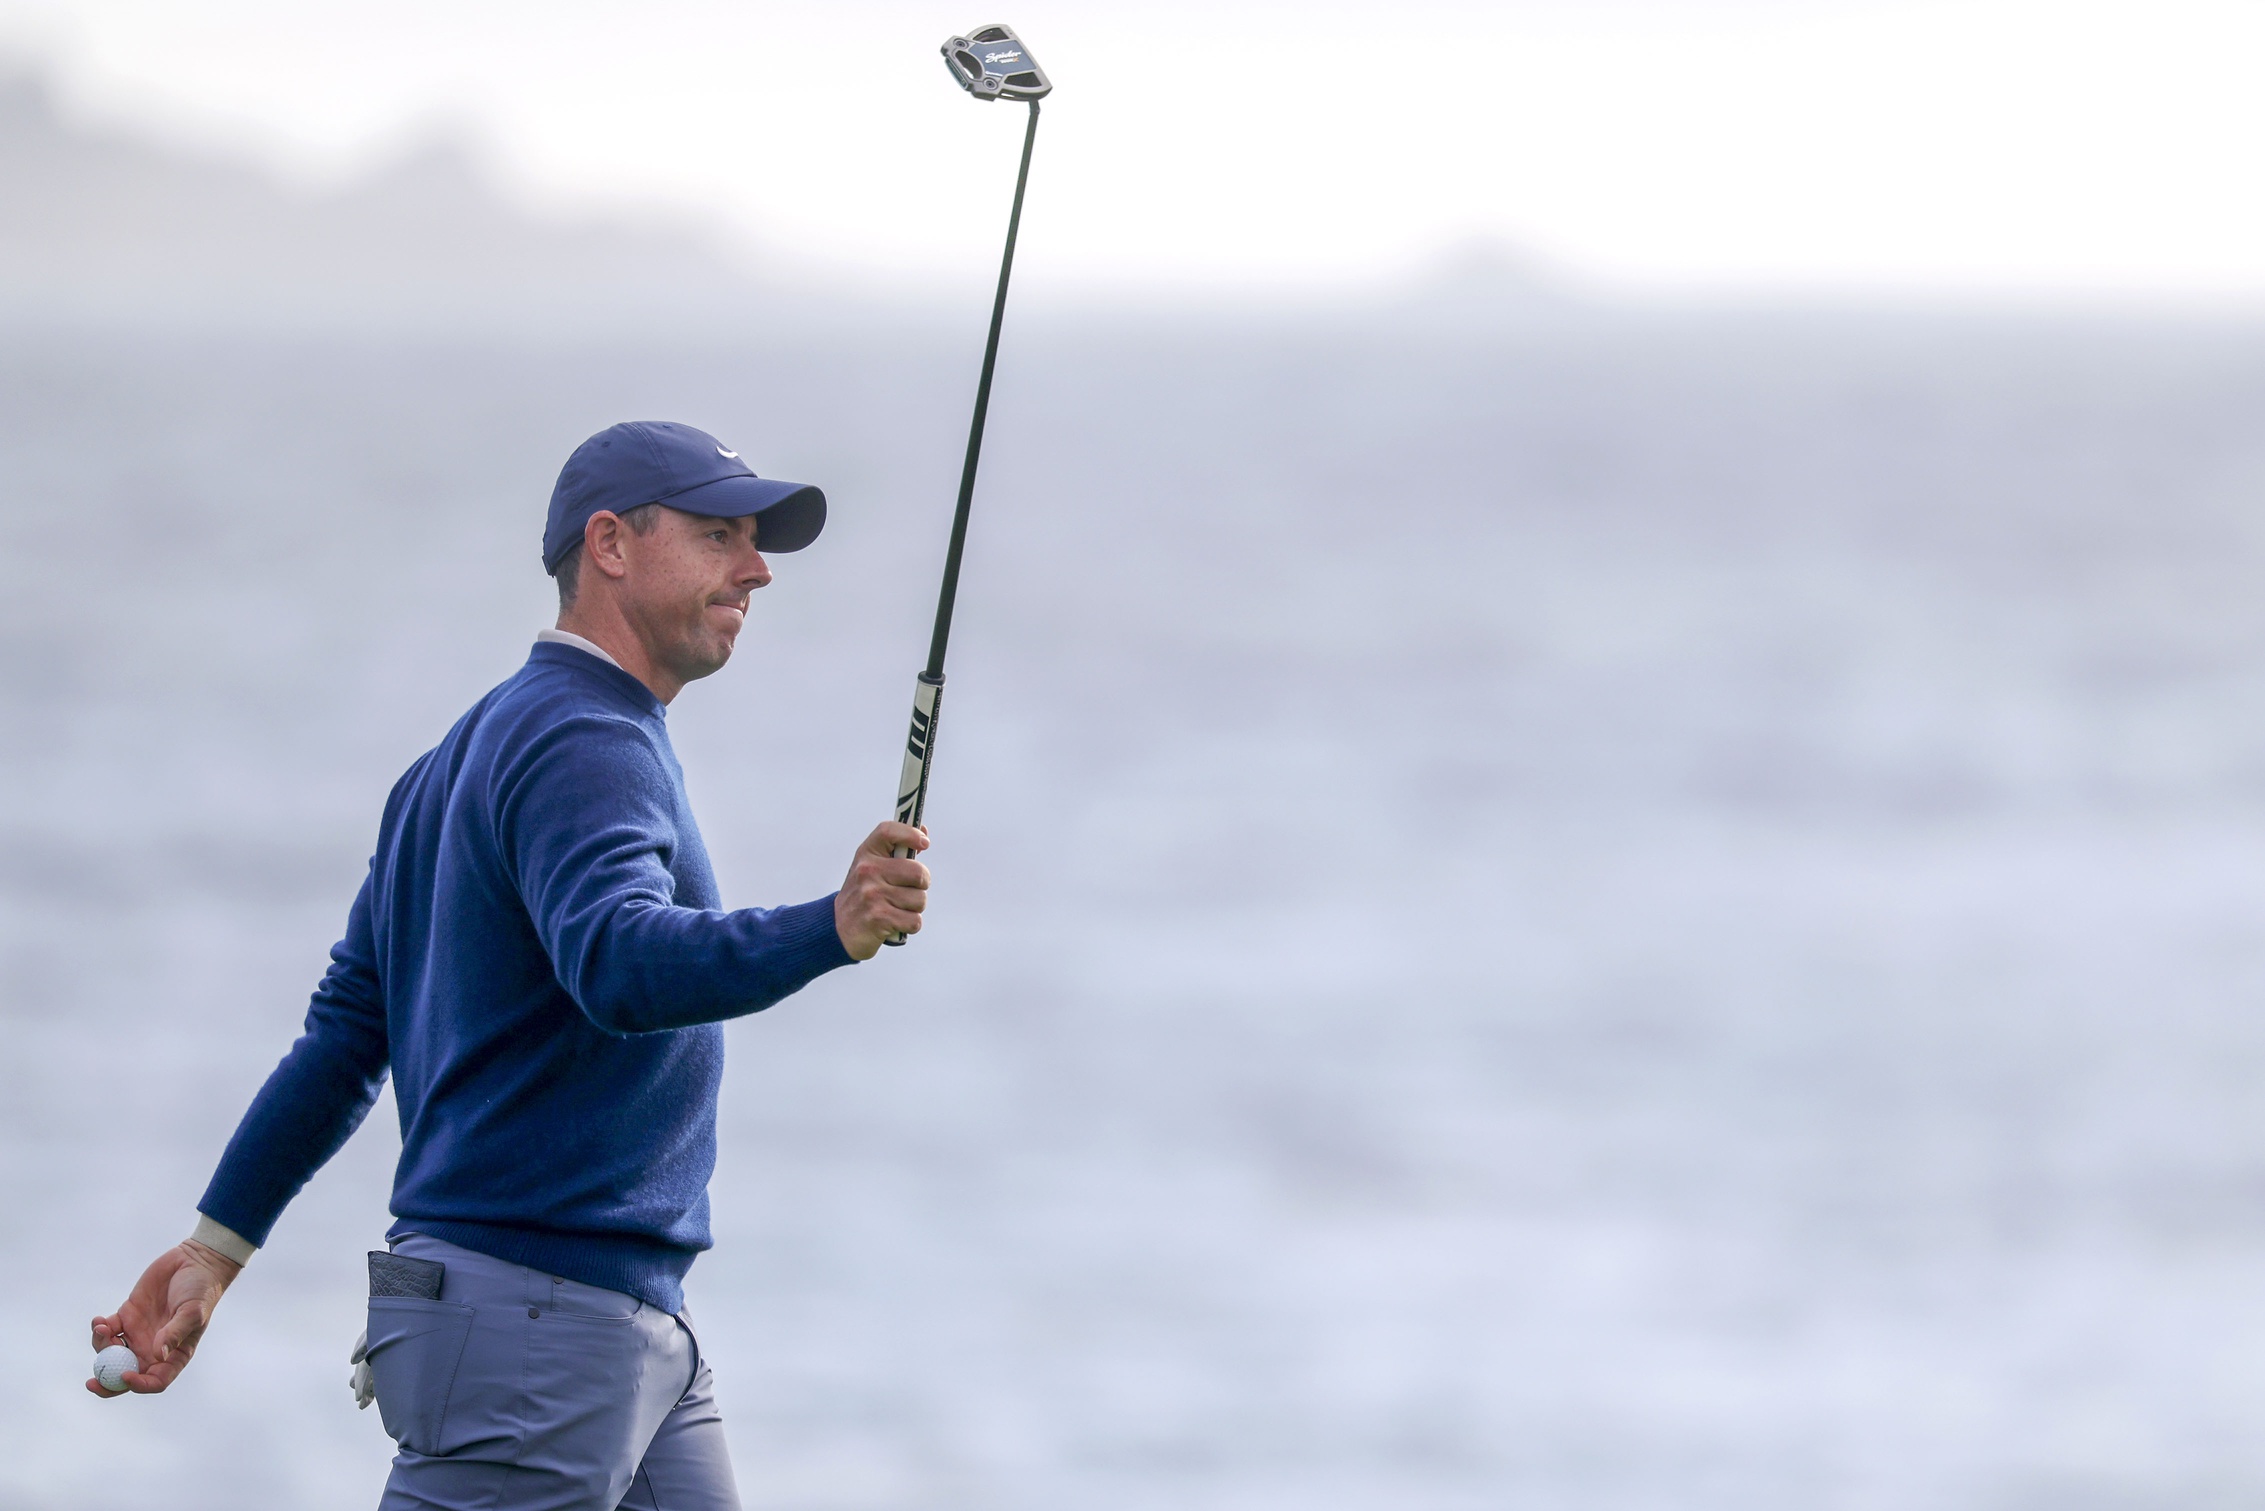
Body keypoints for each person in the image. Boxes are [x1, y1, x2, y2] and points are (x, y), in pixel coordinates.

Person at [86, 420, 931, 1510]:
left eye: (755, 542)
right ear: (611, 544)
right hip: (540, 1325)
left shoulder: (462, 755)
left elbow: (346, 1039)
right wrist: (831, 925)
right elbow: (616, 962)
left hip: (614, 1328)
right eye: (719, 535)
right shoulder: (587, 737)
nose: (757, 569)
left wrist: (215, 1247)